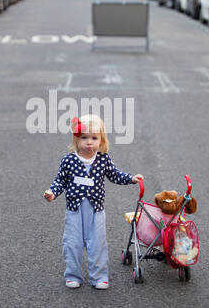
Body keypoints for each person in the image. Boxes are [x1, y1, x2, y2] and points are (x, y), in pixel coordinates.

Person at [44, 114, 144, 289]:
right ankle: (73, 275)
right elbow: (60, 181)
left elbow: (115, 175)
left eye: (94, 138)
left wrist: (131, 178)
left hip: (96, 209)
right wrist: (52, 192)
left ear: (101, 140)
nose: (89, 142)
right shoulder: (69, 161)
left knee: (97, 243)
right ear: (76, 139)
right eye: (84, 138)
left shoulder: (103, 160)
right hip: (75, 209)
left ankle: (99, 277)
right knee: (73, 242)